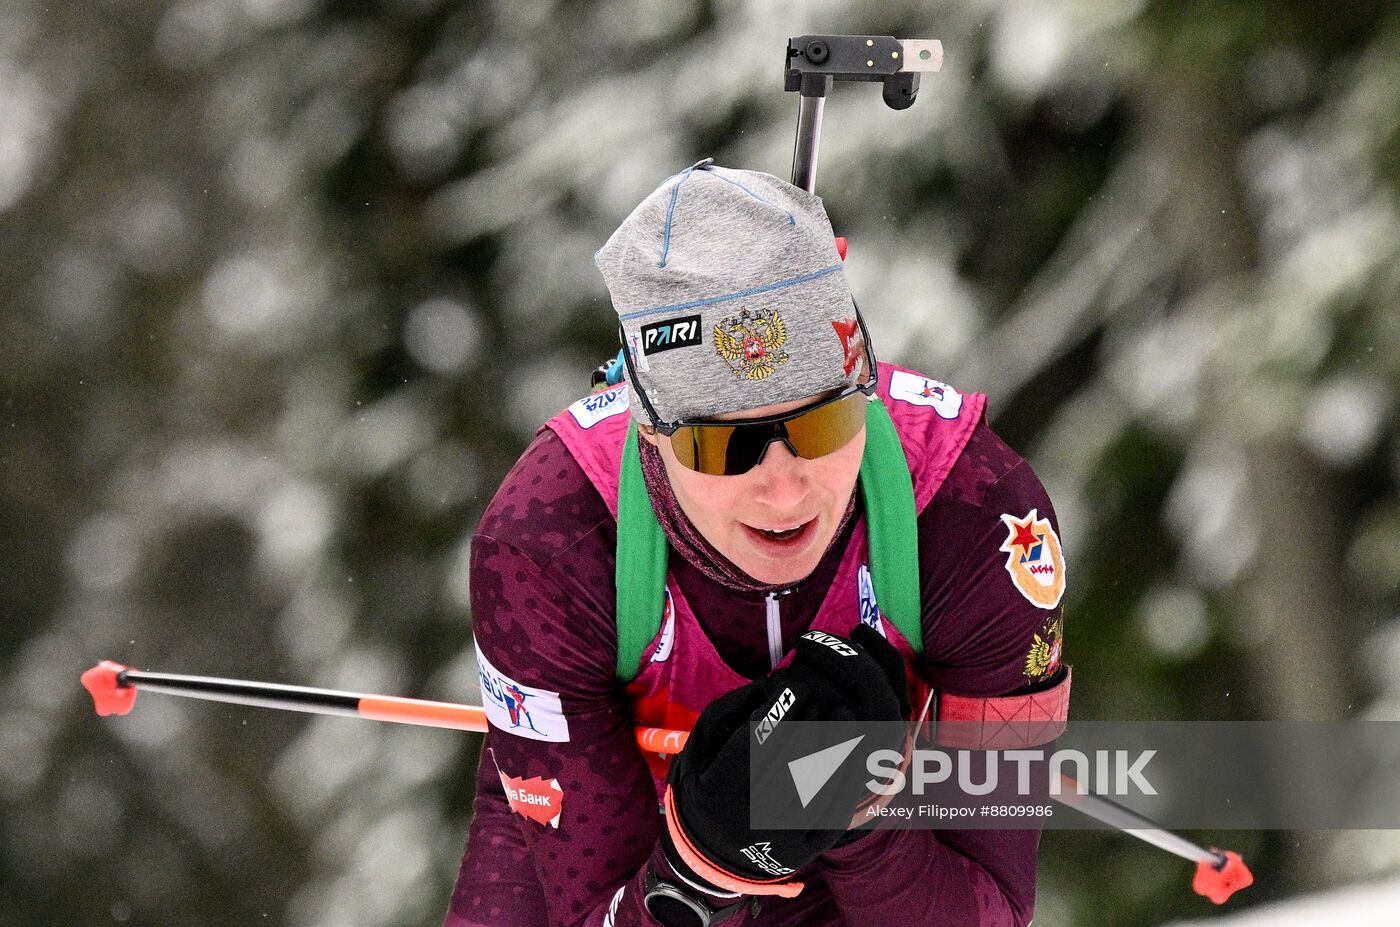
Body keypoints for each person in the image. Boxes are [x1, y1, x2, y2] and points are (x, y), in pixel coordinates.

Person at [445, 160, 1071, 927]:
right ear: (648, 427)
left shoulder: (975, 510)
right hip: (624, 835)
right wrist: (698, 860)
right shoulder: (551, 537)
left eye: (824, 423)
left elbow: (993, 912)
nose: (786, 490)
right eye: (722, 446)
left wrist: (863, 809)